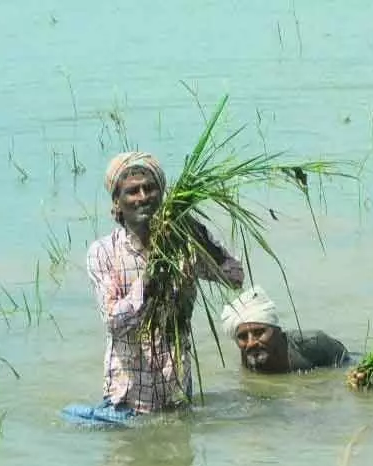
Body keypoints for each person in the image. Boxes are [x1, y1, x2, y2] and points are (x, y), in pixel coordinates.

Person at [62, 151, 245, 426]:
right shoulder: (104, 253)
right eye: (132, 191)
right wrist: (147, 280)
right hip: (125, 404)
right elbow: (114, 321)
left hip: (177, 397)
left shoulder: (183, 248)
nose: (143, 197)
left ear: (163, 196)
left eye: (150, 188)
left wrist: (202, 239)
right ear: (117, 203)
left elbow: (234, 278)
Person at [219, 285, 350, 374]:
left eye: (259, 332)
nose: (251, 342)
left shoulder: (313, 343)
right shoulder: (248, 354)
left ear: (277, 330)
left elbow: (347, 364)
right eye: (242, 337)